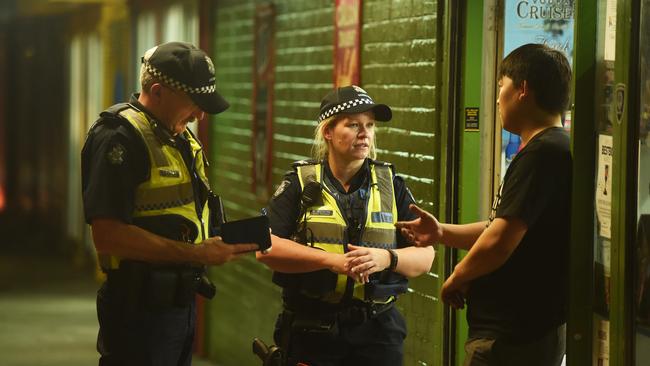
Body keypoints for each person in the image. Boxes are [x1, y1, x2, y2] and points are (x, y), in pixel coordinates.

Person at [81, 42, 258, 366]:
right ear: (158, 91)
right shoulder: (119, 138)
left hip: (179, 303)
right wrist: (196, 253)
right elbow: (107, 235)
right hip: (137, 308)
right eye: (193, 103)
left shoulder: (180, 139)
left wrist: (224, 240)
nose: (199, 115)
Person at [397, 43, 572, 365]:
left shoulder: (543, 153)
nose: (496, 98)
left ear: (522, 90)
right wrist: (441, 233)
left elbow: (501, 240)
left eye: (501, 86)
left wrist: (458, 276)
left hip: (514, 336)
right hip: (517, 334)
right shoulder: (549, 148)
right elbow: (502, 225)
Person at [256, 85, 435, 366]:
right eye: (353, 125)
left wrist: (386, 258)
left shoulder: (391, 185)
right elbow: (265, 247)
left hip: (377, 331)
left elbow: (426, 256)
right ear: (328, 132)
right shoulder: (299, 183)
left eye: (370, 125)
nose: (364, 133)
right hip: (312, 327)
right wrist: (331, 261)